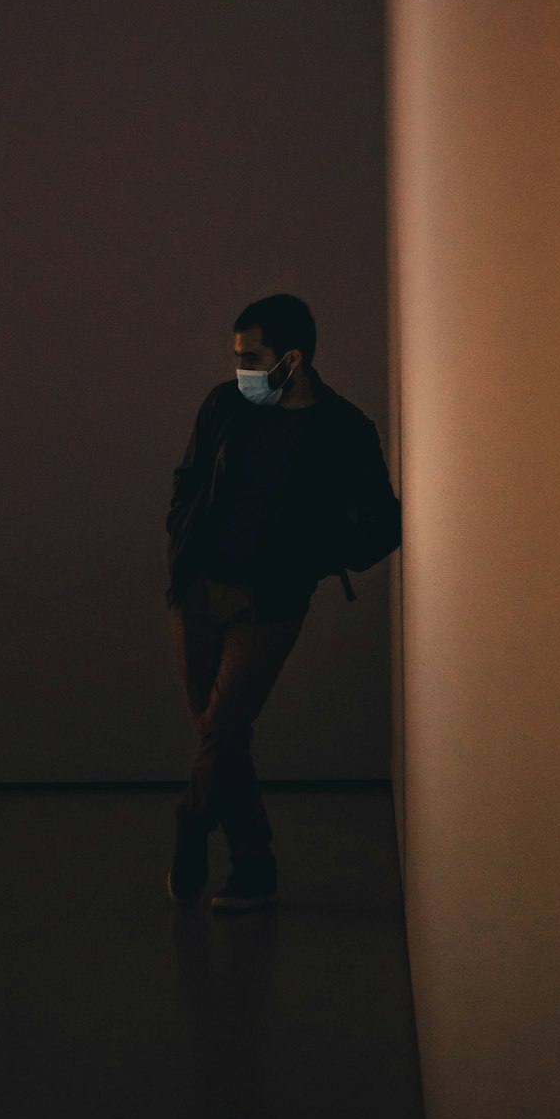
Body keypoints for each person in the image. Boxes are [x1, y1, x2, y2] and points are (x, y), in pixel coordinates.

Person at [164, 293, 401, 911]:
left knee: (220, 729)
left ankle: (191, 822)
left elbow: (383, 526)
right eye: (237, 356)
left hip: (270, 603)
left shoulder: (344, 429)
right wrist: (181, 554)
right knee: (223, 735)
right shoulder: (223, 405)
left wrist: (315, 554)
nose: (240, 368)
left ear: (290, 360)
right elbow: (187, 481)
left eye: (252, 357)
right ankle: (254, 868)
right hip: (198, 592)